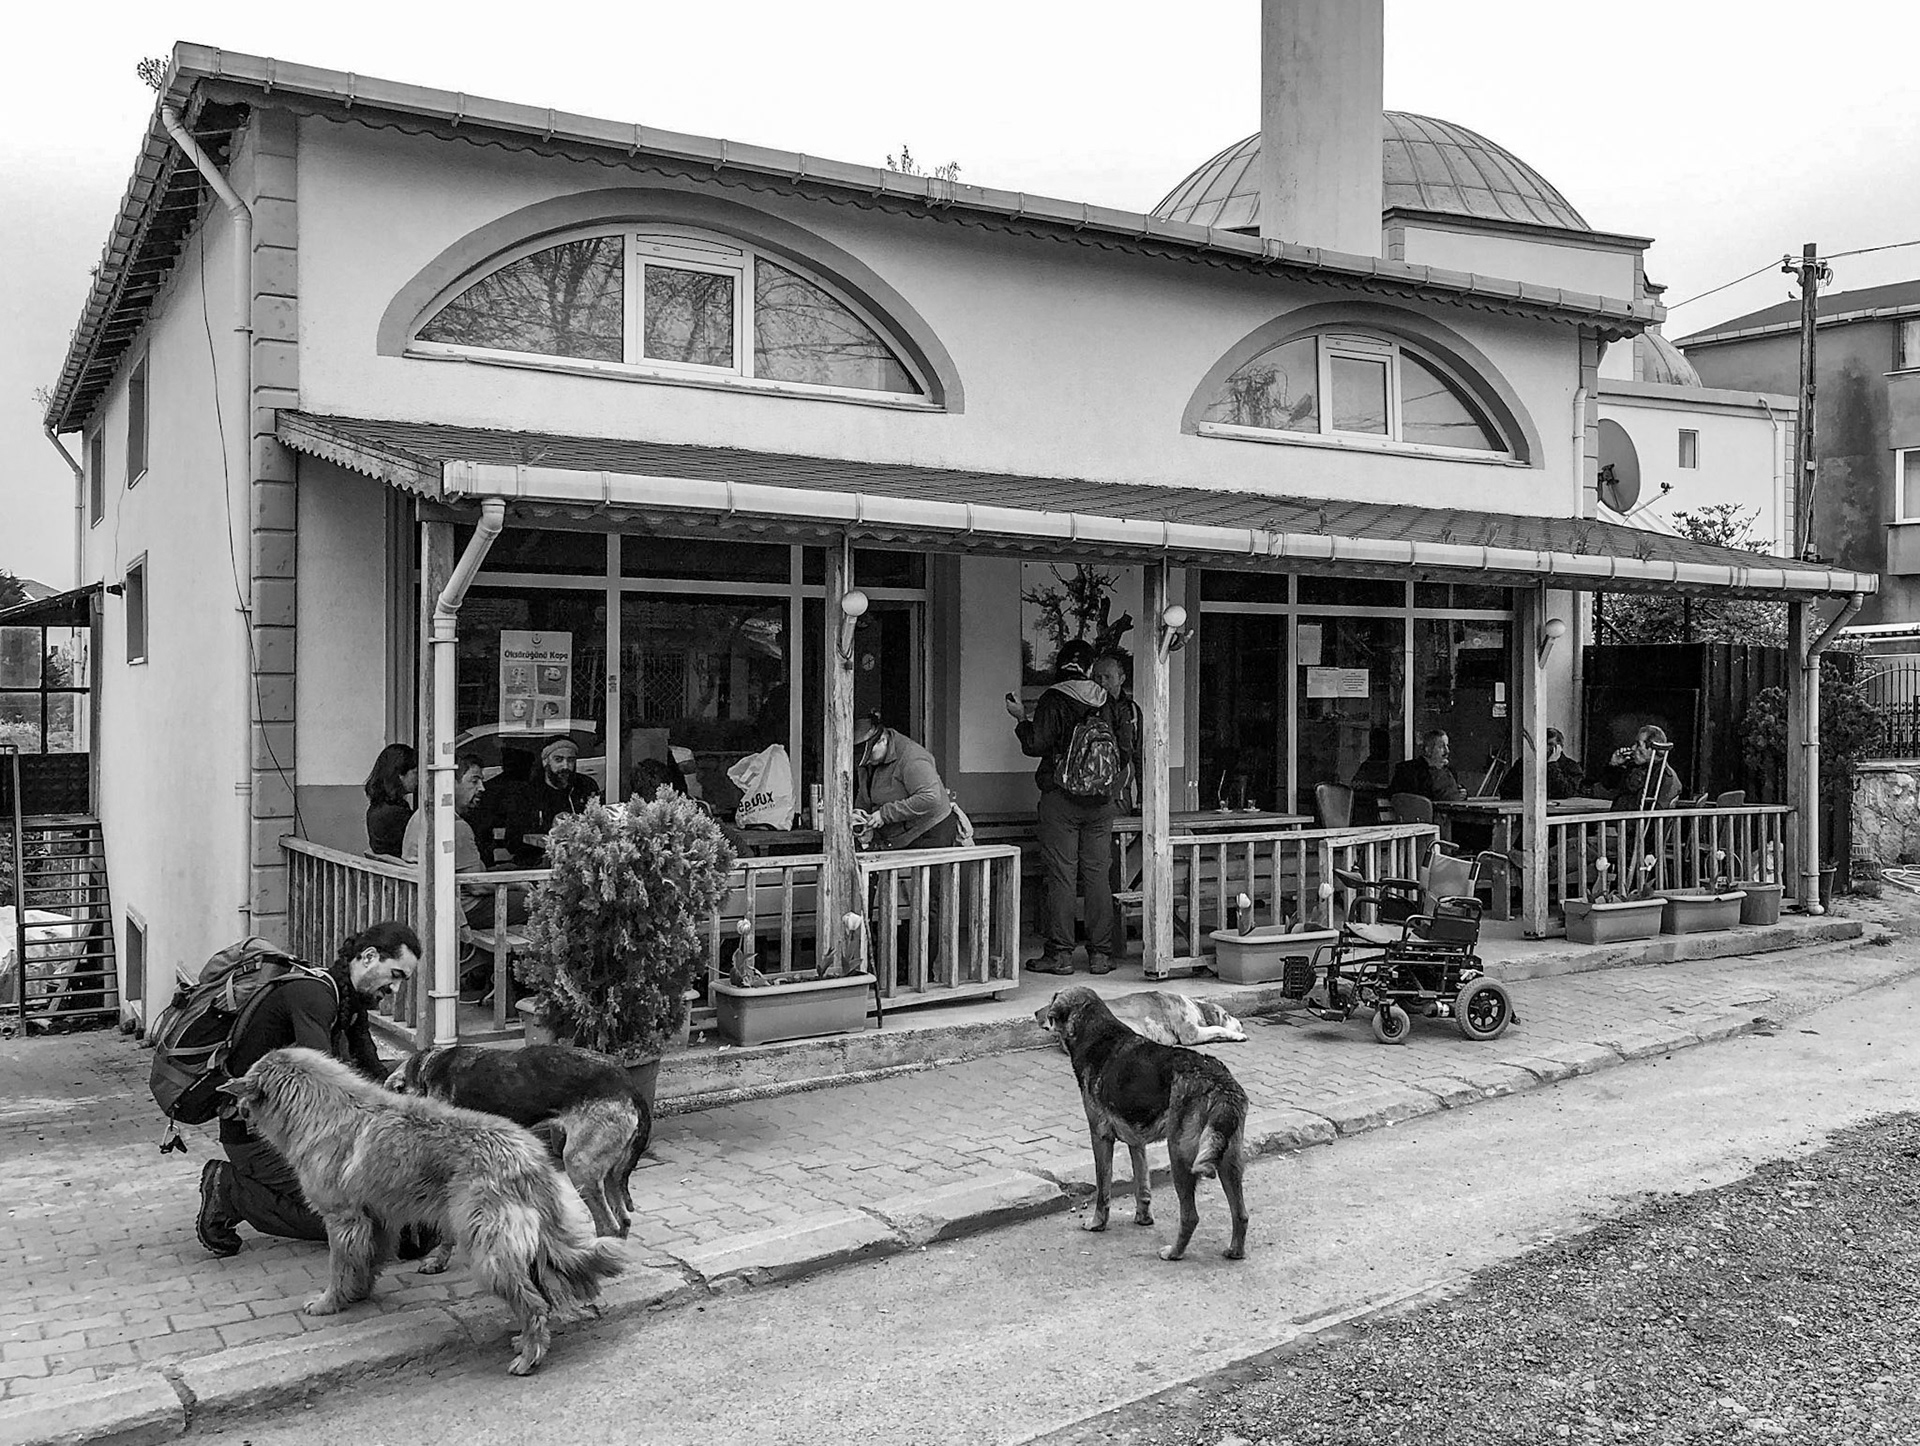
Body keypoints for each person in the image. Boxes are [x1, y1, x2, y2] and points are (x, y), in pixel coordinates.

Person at [195, 921, 422, 1254]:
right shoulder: (313, 996)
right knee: (349, 1219)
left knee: (384, 1217)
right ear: (369, 957)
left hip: (299, 1134)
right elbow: (327, 1095)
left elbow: (373, 1074)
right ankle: (229, 1191)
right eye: (396, 976)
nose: (396, 990)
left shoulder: (347, 1002)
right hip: (255, 1140)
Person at [1005, 640, 1136, 976]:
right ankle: (1100, 955)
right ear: (1090, 668)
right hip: (1101, 802)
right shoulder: (1111, 700)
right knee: (1097, 877)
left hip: (1060, 800)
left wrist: (1021, 719)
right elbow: (1123, 752)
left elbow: (1036, 745)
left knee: (1062, 876)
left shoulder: (1054, 698)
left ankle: (1060, 955)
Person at [403, 752, 529, 932]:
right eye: (474, 781)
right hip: (465, 909)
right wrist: (517, 884)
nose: (482, 788)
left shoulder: (421, 816)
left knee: (512, 869)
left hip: (437, 902)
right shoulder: (454, 826)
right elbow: (476, 886)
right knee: (535, 901)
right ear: (451, 783)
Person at [852, 714, 958, 850]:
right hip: (899, 833)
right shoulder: (869, 761)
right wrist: (860, 814)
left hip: (930, 831)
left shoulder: (912, 757)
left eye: (869, 755)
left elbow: (930, 797)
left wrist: (885, 814)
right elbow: (864, 793)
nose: (866, 760)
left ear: (883, 740)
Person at [1092, 653, 1144, 812]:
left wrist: (1143, 796)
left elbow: (1140, 755)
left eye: (1107, 677)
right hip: (1091, 791)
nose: (1102, 682)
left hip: (1122, 792)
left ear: (1122, 679)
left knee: (1123, 834)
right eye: (1097, 677)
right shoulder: (1088, 708)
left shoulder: (1132, 710)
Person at [1598, 724, 1682, 811]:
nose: (1633, 748)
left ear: (1652, 749)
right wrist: (1614, 765)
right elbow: (1608, 785)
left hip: (1635, 823)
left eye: (1638, 745)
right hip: (1617, 821)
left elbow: (1657, 815)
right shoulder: (1632, 766)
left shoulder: (1665, 777)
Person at [362, 743, 416, 859]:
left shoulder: (376, 808)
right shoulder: (395, 813)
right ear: (400, 774)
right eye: (415, 773)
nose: (418, 778)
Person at [1388, 729, 1468, 803]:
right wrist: (1447, 796)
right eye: (1441, 747)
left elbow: (1455, 792)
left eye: (1447, 746)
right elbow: (1410, 799)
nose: (1447, 751)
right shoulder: (1409, 770)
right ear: (1428, 750)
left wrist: (1461, 793)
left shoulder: (1450, 770)